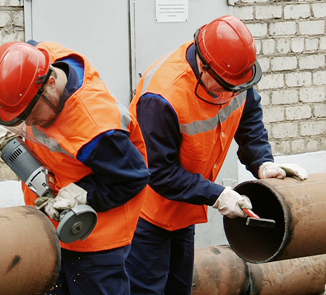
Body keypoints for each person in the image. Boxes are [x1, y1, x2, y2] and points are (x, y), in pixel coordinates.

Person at [126, 15, 308, 295]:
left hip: (183, 209)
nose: (229, 95)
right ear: (203, 65)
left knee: (179, 288)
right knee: (146, 290)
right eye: (224, 87)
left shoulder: (233, 76)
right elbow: (158, 172)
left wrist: (263, 163)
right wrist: (218, 194)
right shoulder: (162, 96)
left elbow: (249, 119)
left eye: (236, 88)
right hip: (146, 215)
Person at [0, 40, 150, 295]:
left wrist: (81, 195)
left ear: (50, 83)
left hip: (95, 241)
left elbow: (134, 178)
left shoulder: (97, 130)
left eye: (28, 112)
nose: (27, 122)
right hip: (48, 227)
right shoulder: (40, 58)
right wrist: (9, 126)